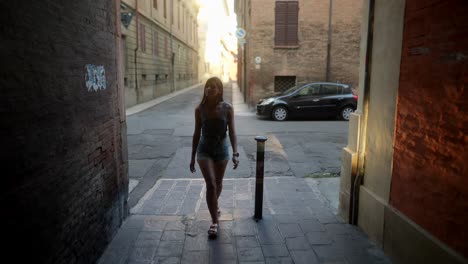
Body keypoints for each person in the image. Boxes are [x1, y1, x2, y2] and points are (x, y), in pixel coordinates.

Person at [190, 77, 239, 238]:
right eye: (207, 87)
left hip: (222, 150)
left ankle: (214, 204)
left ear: (219, 90)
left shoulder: (227, 108)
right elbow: (197, 134)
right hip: (204, 150)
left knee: (218, 183)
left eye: (213, 86)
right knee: (211, 184)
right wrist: (192, 157)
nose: (210, 89)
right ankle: (214, 221)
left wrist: (235, 153)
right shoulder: (200, 110)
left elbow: (232, 132)